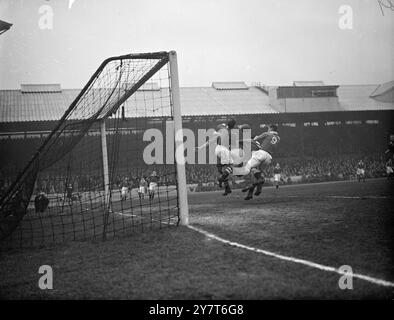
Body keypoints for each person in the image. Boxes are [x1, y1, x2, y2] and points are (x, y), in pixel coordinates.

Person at [239, 124, 280, 200]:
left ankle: (252, 188)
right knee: (257, 174)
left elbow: (247, 141)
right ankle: (256, 190)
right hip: (268, 157)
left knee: (249, 169)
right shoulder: (277, 138)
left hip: (259, 155)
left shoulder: (252, 140)